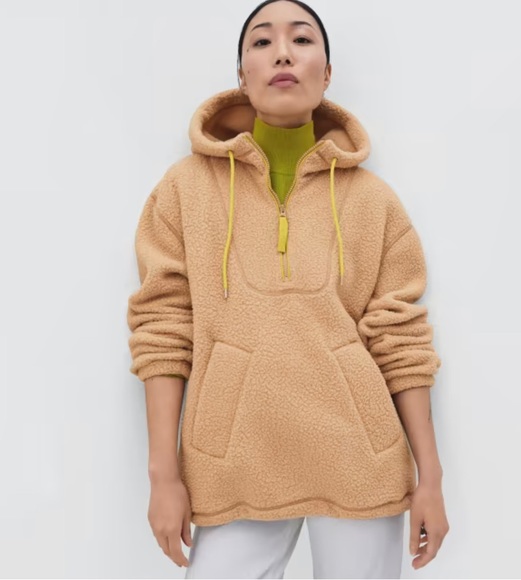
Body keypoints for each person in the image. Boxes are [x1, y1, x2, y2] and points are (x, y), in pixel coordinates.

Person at [126, 0, 449, 577]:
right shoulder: (184, 191)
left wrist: (431, 477)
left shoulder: (374, 201)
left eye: (301, 40)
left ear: (327, 75)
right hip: (231, 461)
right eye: (262, 41)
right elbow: (162, 328)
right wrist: (162, 474)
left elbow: (401, 340)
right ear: (242, 75)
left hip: (360, 460)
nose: (282, 53)